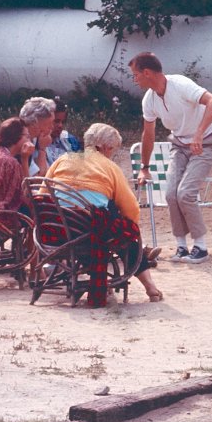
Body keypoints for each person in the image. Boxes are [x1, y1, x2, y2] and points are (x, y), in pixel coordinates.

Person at [43, 122, 163, 304]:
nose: (112, 154)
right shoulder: (109, 167)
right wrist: (130, 225)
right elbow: (131, 208)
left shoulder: (64, 159)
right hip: (90, 232)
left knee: (103, 219)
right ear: (105, 147)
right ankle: (150, 287)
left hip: (57, 230)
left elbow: (42, 194)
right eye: (113, 150)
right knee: (126, 235)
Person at [129, 51, 212, 264]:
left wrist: (198, 133)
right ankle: (181, 246)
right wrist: (144, 166)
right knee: (171, 194)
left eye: (135, 75)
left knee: (186, 193)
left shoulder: (180, 84)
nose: (134, 79)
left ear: (146, 72)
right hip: (179, 145)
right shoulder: (149, 99)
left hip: (206, 142)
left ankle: (201, 247)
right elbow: (148, 133)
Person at [19, 96, 56, 176]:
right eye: (49, 123)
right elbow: (39, 179)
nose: (52, 127)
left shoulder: (34, 138)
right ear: (34, 123)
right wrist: (42, 149)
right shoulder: (22, 142)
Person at [45, 98, 81, 166]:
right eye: (56, 121)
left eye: (63, 122)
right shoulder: (37, 144)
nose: (60, 126)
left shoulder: (69, 140)